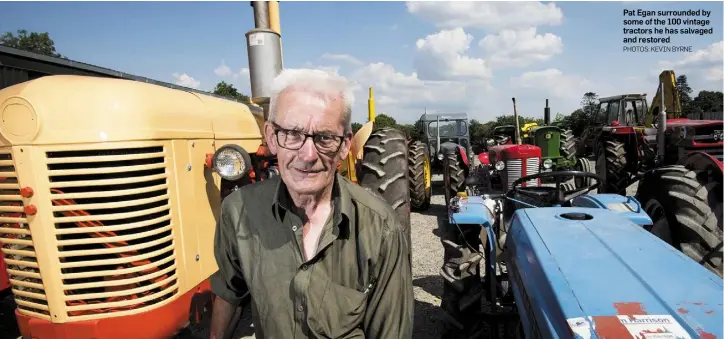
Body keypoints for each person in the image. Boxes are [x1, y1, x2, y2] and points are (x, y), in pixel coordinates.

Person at [209, 69, 414, 339]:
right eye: (292, 134)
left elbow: (391, 332)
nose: (307, 155)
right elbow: (229, 291)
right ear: (271, 137)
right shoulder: (238, 212)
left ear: (345, 146)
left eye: (325, 138)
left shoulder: (381, 228)